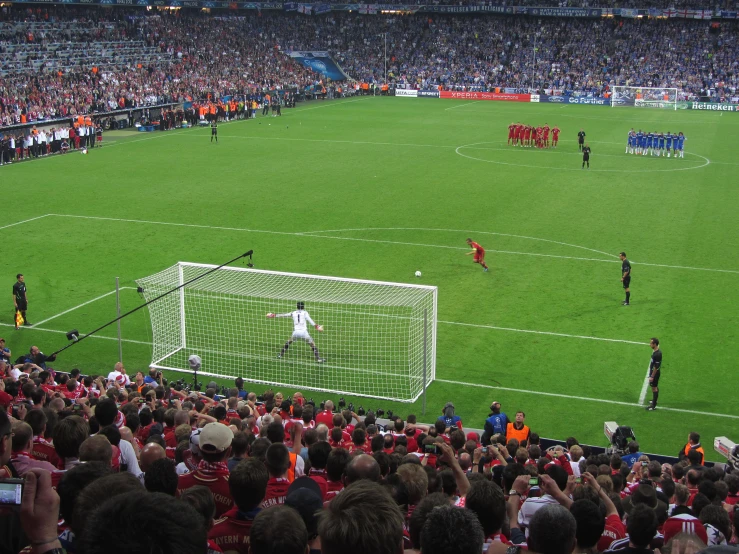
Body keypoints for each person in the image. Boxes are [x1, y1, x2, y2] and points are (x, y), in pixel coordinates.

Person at [645, 338, 662, 411]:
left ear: (655, 344)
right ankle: (654, 400)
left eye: (651, 343)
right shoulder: (656, 351)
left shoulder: (657, 354)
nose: (650, 344)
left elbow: (656, 367)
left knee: (654, 388)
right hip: (653, 372)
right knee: (654, 387)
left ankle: (653, 405)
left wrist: (652, 376)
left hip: (655, 373)